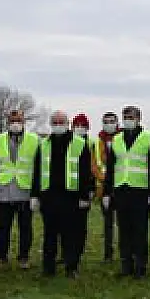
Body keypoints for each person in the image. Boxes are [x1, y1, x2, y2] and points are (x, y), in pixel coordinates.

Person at [31, 110, 94, 278]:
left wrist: (84, 196)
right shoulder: (43, 144)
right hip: (49, 196)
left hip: (70, 196)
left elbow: (85, 172)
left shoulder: (80, 144)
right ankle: (48, 268)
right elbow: (37, 171)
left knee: (70, 234)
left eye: (61, 122)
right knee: (49, 234)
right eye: (55, 122)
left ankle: (71, 267)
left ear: (67, 124)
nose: (58, 125)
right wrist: (34, 195)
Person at [104, 106, 150, 278]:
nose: (128, 120)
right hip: (121, 190)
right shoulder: (116, 139)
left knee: (140, 230)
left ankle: (140, 265)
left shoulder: (149, 138)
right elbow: (111, 168)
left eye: (131, 117)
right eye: (125, 117)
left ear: (138, 119)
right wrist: (107, 192)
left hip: (141, 191)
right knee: (124, 230)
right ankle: (126, 264)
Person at [0, 109, 39, 270]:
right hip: (4, 190)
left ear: (23, 122)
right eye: (12, 121)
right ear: (8, 123)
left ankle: (24, 257)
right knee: (3, 227)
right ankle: (1, 258)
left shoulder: (34, 140)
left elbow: (38, 167)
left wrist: (36, 193)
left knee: (25, 227)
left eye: (18, 121)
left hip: (25, 190)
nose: (15, 124)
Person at [91, 112, 119, 262]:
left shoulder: (122, 139)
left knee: (124, 223)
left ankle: (126, 253)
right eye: (106, 122)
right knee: (107, 223)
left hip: (121, 187)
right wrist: (104, 179)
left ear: (117, 123)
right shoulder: (97, 142)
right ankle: (108, 254)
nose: (109, 124)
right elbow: (94, 165)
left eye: (111, 121)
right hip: (103, 188)